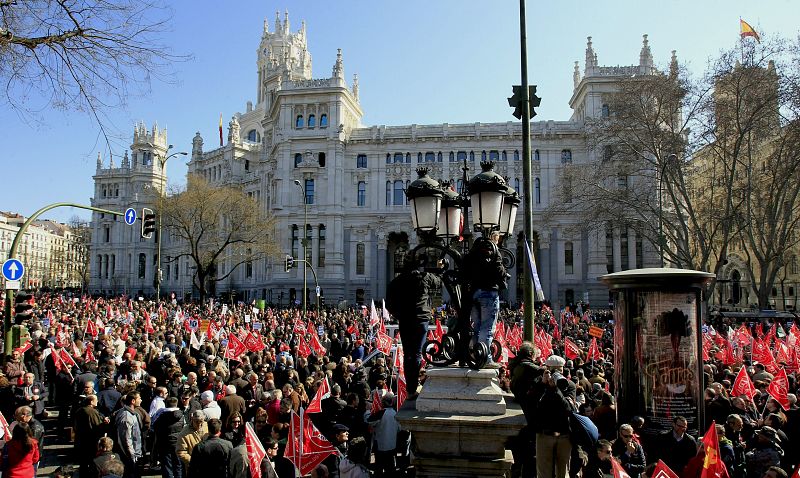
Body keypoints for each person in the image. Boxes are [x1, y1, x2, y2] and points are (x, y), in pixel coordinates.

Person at [386, 255, 443, 397]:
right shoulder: (424, 277)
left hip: (406, 319)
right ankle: (413, 386)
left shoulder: (396, 282)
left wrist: (399, 315)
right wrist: (440, 269)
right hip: (421, 319)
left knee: (408, 354)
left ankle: (410, 389)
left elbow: (389, 304)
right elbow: (439, 282)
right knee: (416, 354)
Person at [462, 231, 507, 368]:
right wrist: (503, 280)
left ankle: (476, 353)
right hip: (489, 292)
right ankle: (485, 358)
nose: (499, 242)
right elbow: (499, 271)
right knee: (487, 328)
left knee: (477, 326)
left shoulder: (473, 251)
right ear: (494, 238)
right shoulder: (493, 250)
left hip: (474, 293)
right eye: (498, 239)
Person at [530, 355, 576, 478]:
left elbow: (568, 408)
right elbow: (531, 403)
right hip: (544, 434)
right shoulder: (540, 383)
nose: (556, 374)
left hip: (564, 435)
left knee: (563, 472)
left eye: (559, 370)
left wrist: (556, 390)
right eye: (553, 370)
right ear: (547, 369)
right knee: (543, 473)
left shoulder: (569, 385)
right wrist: (542, 384)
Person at [367, 392, 401, 476]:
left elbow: (369, 422)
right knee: (390, 469)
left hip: (381, 446)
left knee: (379, 469)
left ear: (384, 402)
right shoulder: (396, 413)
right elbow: (399, 429)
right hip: (392, 445)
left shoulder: (380, 413)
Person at [74, 394, 108, 477]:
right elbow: (97, 426)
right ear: (91, 401)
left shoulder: (79, 410)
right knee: (92, 461)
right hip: (91, 441)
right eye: (96, 400)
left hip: (81, 439)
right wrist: (105, 425)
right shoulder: (92, 412)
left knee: (83, 463)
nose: (97, 401)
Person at [152, 396, 185, 478]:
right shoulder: (181, 416)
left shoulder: (161, 416)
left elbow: (154, 427)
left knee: (167, 465)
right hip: (177, 442)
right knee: (178, 464)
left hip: (164, 443)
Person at [114, 392, 144, 478]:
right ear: (133, 401)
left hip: (135, 453)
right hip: (129, 455)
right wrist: (131, 455)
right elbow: (126, 438)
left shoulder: (133, 413)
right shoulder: (126, 416)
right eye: (139, 398)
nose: (141, 400)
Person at [176, 411, 208, 475]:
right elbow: (181, 452)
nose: (199, 424)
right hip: (194, 469)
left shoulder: (207, 426)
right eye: (196, 422)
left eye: (201, 421)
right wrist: (194, 462)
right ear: (192, 419)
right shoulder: (184, 433)